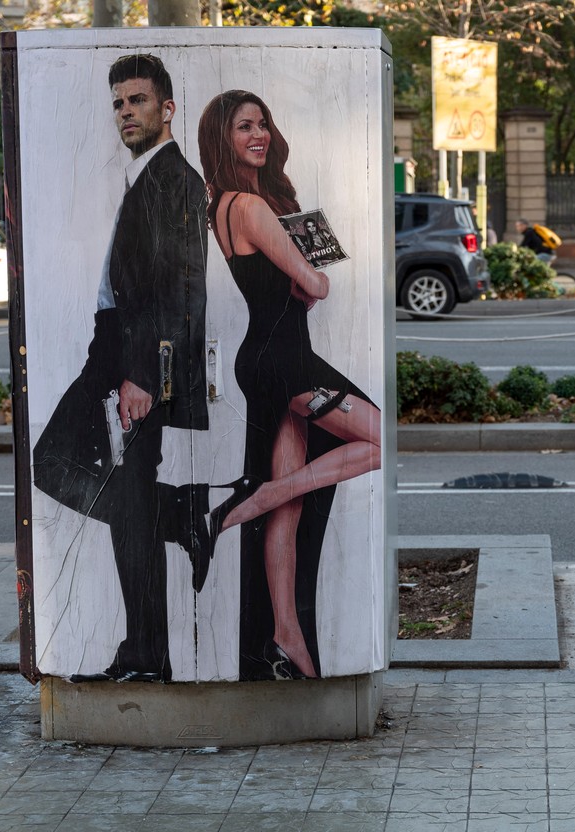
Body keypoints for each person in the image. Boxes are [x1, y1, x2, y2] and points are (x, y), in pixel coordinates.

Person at [33, 54, 210, 683]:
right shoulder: (145, 178)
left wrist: (143, 376)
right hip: (114, 350)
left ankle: (145, 654)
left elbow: (182, 291)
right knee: (64, 467)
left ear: (167, 109)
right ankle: (182, 516)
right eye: (118, 102)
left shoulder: (175, 181)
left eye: (137, 100)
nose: (125, 112)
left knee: (114, 490)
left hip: (136, 360)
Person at [197, 89, 382, 680]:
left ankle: (286, 633)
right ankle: (249, 501)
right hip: (284, 362)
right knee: (378, 439)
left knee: (293, 511)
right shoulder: (248, 207)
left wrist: (297, 273)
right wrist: (311, 273)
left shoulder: (221, 206)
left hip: (269, 356)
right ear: (221, 140)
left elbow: (282, 283)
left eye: (263, 124)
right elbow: (315, 286)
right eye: (244, 127)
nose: (259, 135)